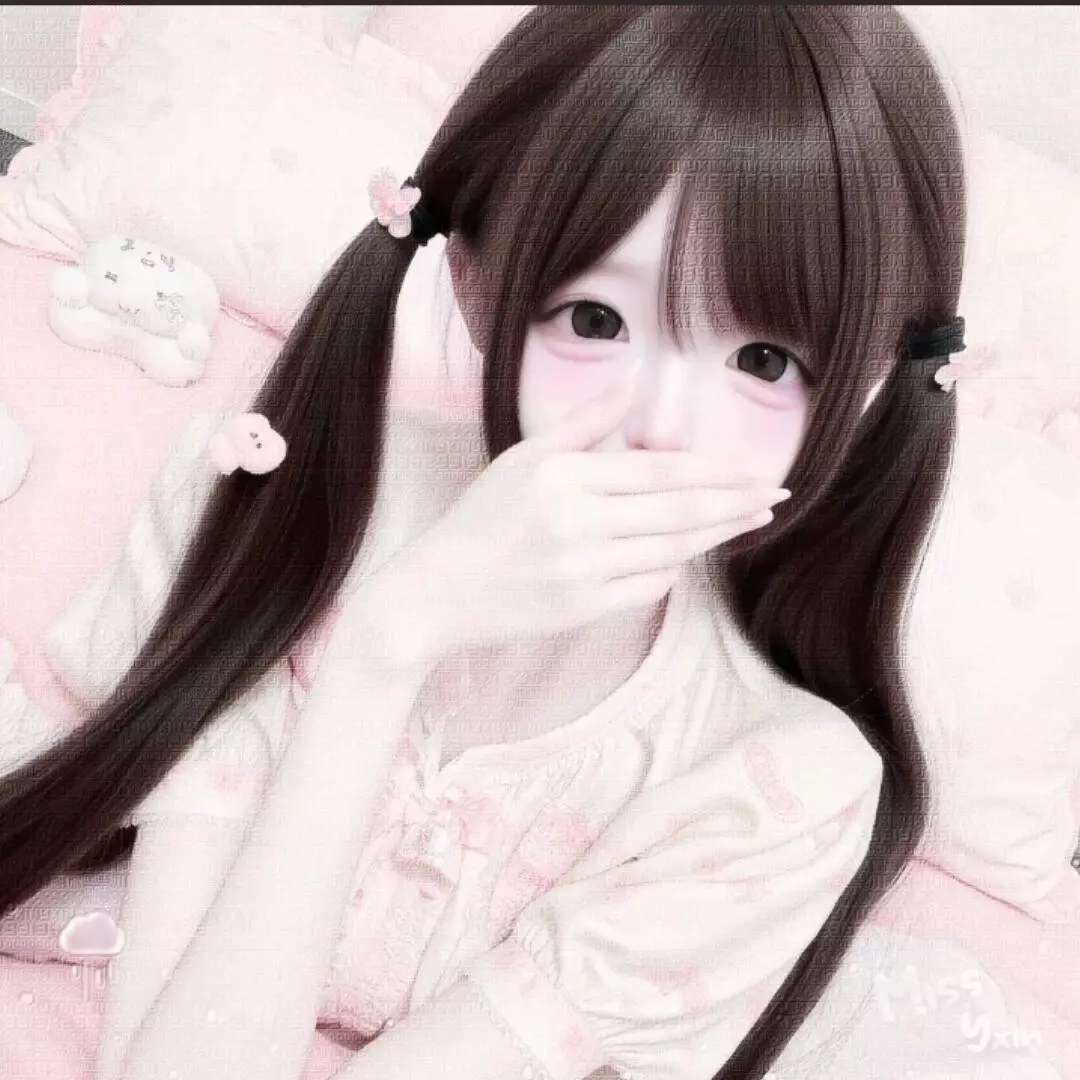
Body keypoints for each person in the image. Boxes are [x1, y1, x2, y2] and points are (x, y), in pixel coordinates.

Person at [0, 7, 969, 1080]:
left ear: (865, 386)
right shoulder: (277, 496)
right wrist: (387, 644)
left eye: (765, 360)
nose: (662, 425)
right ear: (475, 282)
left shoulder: (775, 784)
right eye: (596, 321)